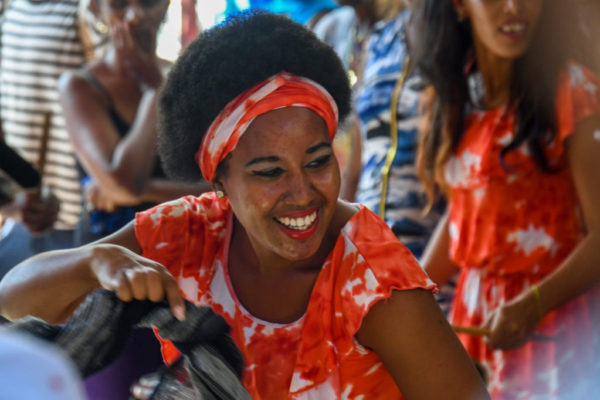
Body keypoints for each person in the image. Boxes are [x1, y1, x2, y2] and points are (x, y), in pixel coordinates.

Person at [0, 11, 490, 400]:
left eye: (318, 161)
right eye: (270, 172)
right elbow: (12, 300)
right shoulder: (189, 236)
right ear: (219, 182)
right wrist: (96, 262)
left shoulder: (373, 282)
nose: (302, 193)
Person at [412, 0, 600, 397]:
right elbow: (470, 211)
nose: (515, 8)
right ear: (460, 5)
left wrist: (533, 305)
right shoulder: (456, 92)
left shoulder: (573, 89)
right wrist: (413, 294)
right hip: (477, 321)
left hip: (557, 325)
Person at [313, 0, 452, 311]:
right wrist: (334, 252)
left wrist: (421, 287)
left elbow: (469, 179)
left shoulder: (448, 35)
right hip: (370, 269)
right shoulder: (379, 41)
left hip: (434, 267)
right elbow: (357, 167)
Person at [58, 0, 210, 245]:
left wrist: (140, 190)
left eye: (149, 3)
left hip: (184, 249)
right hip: (110, 255)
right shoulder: (79, 86)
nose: (136, 16)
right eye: (119, 5)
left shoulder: (186, 79)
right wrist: (155, 93)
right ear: (98, 9)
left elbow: (220, 187)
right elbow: (125, 180)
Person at [0, 0, 87, 272]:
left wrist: (18, 198)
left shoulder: (81, 14)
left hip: (67, 216)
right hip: (24, 219)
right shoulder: (13, 14)